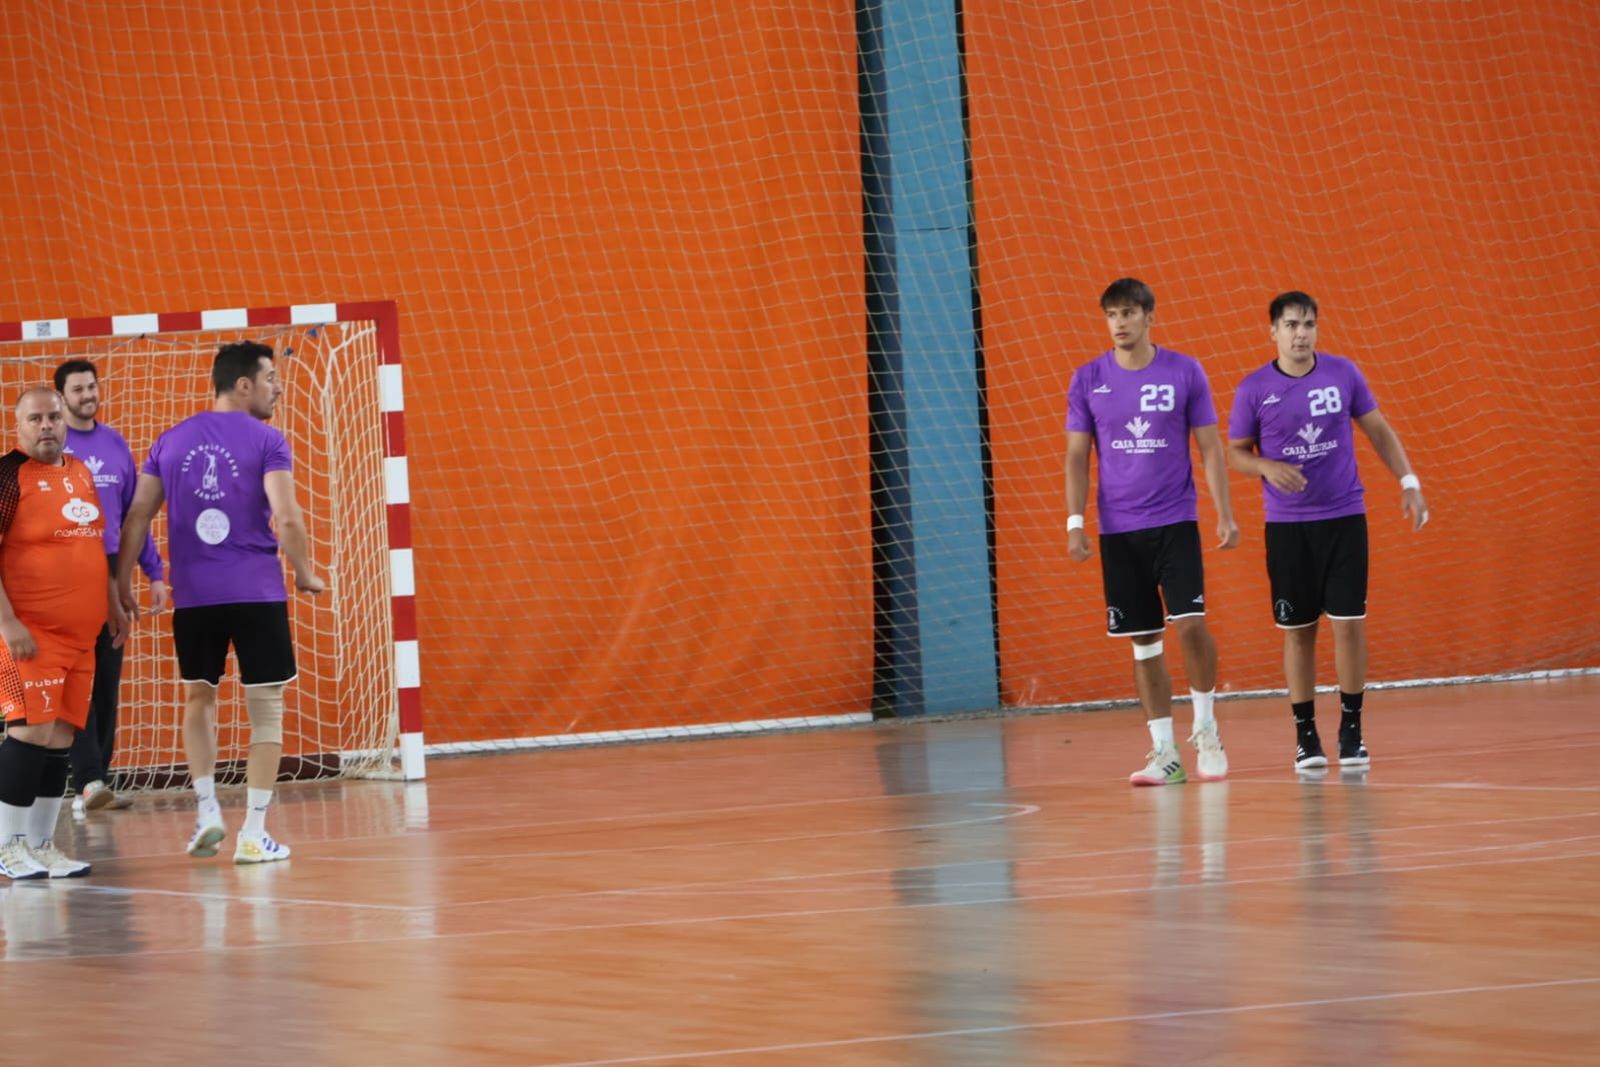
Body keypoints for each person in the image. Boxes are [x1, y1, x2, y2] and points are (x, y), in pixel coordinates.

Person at [117, 340, 324, 865]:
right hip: (256, 593)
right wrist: (304, 572)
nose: (279, 387)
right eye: (271, 377)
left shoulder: (170, 440)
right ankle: (254, 832)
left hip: (196, 599)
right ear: (243, 384)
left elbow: (137, 518)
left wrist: (122, 583)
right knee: (266, 711)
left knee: (199, 698)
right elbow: (290, 517)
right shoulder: (268, 440)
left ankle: (208, 810)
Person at [1226, 291, 1428, 772]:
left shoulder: (1343, 374)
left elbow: (1378, 429)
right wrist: (1265, 467)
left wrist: (1409, 482)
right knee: (1299, 633)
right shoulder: (1254, 388)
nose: (1301, 333)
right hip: (1289, 528)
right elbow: (1235, 451)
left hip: (1344, 520)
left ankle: (1352, 729)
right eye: (1291, 324)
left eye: (1309, 324)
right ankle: (1305, 736)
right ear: (1272, 331)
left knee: (1350, 626)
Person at [1065, 277, 1240, 787]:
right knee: (1144, 640)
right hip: (1119, 530)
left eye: (1128, 313)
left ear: (1149, 317)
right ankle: (1165, 751)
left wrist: (1224, 513)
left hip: (1175, 521)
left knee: (1189, 624)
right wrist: (1075, 523)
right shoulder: (1088, 378)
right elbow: (1077, 456)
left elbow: (1209, 446)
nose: (1119, 324)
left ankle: (1206, 729)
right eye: (1111, 315)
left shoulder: (1184, 371)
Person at [0, 387, 128, 879]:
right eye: (36, 419)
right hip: (30, 635)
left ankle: (42, 845)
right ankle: (9, 845)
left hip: (82, 635)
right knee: (29, 730)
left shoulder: (79, 472)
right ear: (19, 425)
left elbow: (92, 544)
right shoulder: (8, 476)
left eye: (53, 417)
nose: (47, 426)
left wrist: (112, 603)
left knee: (59, 737)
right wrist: (9, 622)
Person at [55, 358, 169, 813]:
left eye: (92, 387)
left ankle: (97, 782)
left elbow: (134, 517)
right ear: (61, 396)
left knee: (107, 682)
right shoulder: (52, 447)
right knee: (78, 679)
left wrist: (154, 574)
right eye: (78, 389)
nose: (88, 395)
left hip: (113, 570)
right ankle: (86, 781)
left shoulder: (116, 444)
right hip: (67, 571)